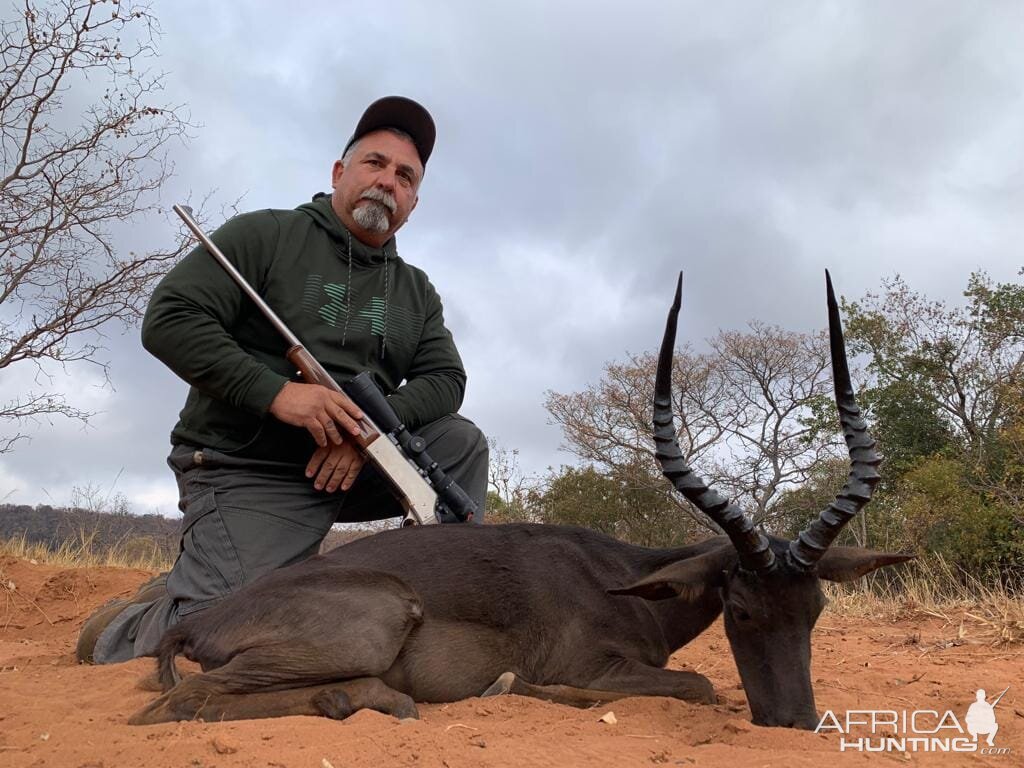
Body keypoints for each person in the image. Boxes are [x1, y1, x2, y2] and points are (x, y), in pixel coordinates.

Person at [76, 96, 488, 664]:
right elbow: (170, 318)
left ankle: (443, 630)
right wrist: (278, 394)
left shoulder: (418, 291)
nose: (387, 182)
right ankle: (136, 620)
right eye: (374, 164)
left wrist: (366, 432)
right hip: (250, 468)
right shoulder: (265, 235)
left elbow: (446, 378)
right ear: (340, 173)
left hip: (355, 467)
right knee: (212, 635)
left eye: (405, 176)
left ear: (413, 203)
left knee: (460, 442)